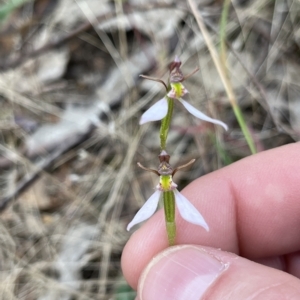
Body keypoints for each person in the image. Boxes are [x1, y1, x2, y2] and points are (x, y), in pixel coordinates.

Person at [121, 143, 300, 299]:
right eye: (162, 169)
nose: (165, 167)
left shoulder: (172, 186)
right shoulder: (163, 182)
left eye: (167, 168)